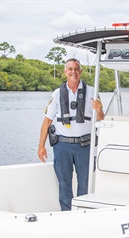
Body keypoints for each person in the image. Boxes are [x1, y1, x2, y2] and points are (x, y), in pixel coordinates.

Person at [38, 58, 105, 211]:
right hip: (62, 146)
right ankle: (66, 214)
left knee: (85, 182)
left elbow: (101, 118)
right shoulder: (57, 93)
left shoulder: (92, 92)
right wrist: (41, 146)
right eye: (70, 69)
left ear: (80, 72)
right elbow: (47, 121)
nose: (73, 72)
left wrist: (99, 109)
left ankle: (83, 213)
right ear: (65, 72)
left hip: (84, 146)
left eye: (76, 69)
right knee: (64, 182)